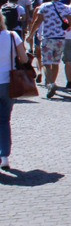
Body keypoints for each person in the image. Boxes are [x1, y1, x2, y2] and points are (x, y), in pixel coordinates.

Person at [26, 0, 71, 99]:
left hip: (48, 38)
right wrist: (65, 26)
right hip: (60, 38)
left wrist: (31, 35)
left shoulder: (44, 6)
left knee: (46, 62)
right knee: (56, 63)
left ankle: (51, 84)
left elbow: (38, 21)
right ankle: (53, 83)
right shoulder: (65, 7)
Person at [0, 21, 30, 170]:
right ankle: (4, 156)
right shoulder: (12, 36)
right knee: (4, 120)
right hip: (8, 83)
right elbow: (24, 59)